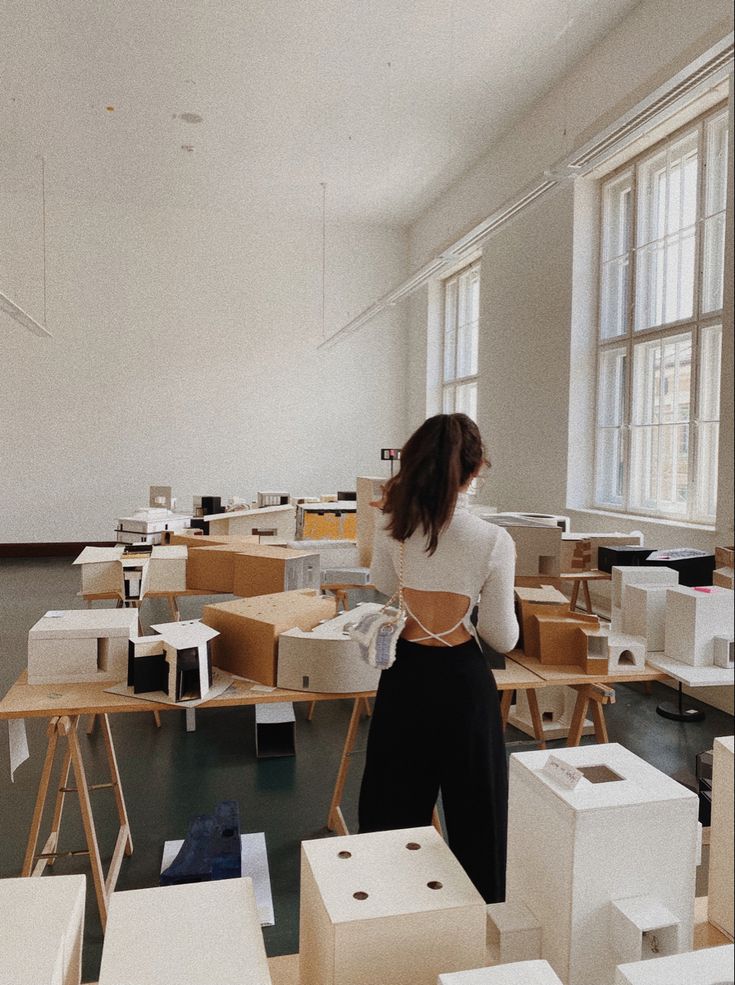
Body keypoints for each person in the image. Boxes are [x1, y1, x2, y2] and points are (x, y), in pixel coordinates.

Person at [358, 412, 518, 903]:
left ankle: (391, 916)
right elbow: (501, 636)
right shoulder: (493, 540)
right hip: (462, 683)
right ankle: (479, 926)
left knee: (391, 812)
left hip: (405, 678)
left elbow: (387, 589)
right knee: (478, 818)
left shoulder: (392, 530)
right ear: (473, 472)